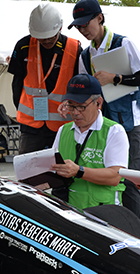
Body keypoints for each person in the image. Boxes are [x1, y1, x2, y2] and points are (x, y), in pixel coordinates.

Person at [69, 0, 140, 222]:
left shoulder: (124, 43)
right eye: (78, 26)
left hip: (128, 124)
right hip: (101, 126)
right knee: (101, 179)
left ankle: (138, 236)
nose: (83, 30)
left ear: (100, 18)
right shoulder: (86, 54)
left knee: (129, 182)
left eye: (86, 24)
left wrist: (115, 77)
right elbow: (84, 87)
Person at [9, 3, 82, 154]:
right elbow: (16, 84)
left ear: (60, 28)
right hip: (31, 125)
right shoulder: (23, 46)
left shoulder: (74, 49)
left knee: (62, 171)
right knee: (27, 169)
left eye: (50, 38)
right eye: (41, 39)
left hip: (63, 125)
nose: (46, 42)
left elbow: (79, 87)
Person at [50, 75, 127, 210]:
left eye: (81, 107)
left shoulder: (114, 131)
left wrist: (79, 171)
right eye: (71, 106)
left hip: (103, 211)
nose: (75, 113)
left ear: (98, 103)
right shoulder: (63, 130)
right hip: (68, 209)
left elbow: (115, 176)